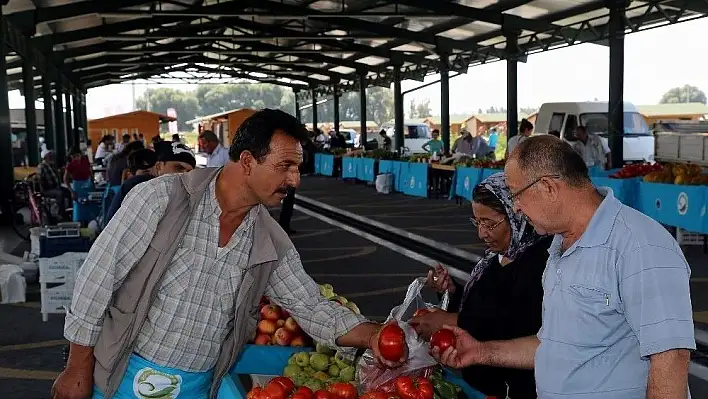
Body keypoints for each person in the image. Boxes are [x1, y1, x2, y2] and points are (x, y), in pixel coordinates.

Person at [54, 109, 407, 399]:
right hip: (121, 378)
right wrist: (76, 367)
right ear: (249, 161)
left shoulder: (271, 241)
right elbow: (97, 279)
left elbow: (313, 307)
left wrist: (373, 335)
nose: (295, 180)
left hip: (198, 386)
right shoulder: (162, 199)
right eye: (286, 166)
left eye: (298, 168)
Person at [433, 135, 695, 399]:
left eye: (516, 195)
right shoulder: (559, 246)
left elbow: (670, 358)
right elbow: (551, 346)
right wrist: (481, 352)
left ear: (548, 187)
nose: (517, 208)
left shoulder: (639, 246)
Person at [412, 173, 551, 398]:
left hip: (516, 388)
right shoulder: (497, 255)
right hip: (479, 379)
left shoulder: (542, 261)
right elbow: (484, 306)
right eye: (477, 222)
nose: (481, 233)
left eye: (489, 223)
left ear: (517, 214)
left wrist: (450, 320)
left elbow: (521, 325)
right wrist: (452, 292)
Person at [104, 144, 197, 225]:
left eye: (189, 172)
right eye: (178, 168)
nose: (184, 174)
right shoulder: (138, 185)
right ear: (159, 167)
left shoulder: (189, 194)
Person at [38, 149, 70, 220]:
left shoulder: (52, 166)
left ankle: (68, 211)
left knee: (69, 191)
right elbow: (40, 179)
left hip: (55, 187)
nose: (52, 157)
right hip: (47, 189)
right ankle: (62, 214)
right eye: (50, 156)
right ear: (46, 157)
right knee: (60, 193)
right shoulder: (41, 166)